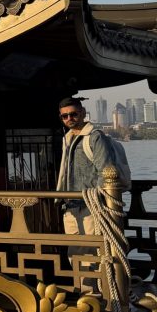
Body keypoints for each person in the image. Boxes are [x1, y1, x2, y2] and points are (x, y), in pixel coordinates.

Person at [55, 97, 114, 236]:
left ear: (83, 113)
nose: (69, 118)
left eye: (74, 114)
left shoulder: (95, 137)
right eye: (65, 116)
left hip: (90, 207)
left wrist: (97, 201)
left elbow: (106, 171)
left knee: (91, 253)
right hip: (70, 206)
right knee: (74, 253)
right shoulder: (67, 139)